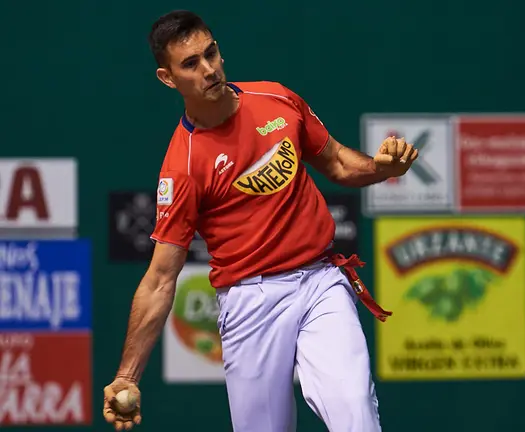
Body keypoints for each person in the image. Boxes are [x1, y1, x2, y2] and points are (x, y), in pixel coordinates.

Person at [101, 10, 419, 432]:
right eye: (191, 64)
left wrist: (383, 169)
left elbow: (340, 163)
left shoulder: (277, 100)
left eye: (211, 53)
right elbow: (161, 278)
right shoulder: (184, 165)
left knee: (354, 409)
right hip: (251, 301)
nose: (209, 69)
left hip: (321, 281)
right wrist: (127, 376)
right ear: (167, 78)